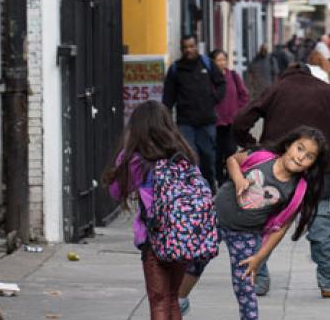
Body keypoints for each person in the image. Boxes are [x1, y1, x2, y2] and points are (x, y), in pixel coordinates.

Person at [232, 62, 330, 298]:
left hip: (279, 165)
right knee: (320, 223)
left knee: (264, 221)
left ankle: (258, 279)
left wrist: (252, 146)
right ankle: (329, 282)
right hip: (321, 168)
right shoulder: (326, 90)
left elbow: (241, 120)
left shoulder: (276, 88)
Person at [192, 128, 327, 320]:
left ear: (313, 164)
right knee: (193, 264)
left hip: (245, 234)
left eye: (309, 156)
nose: (300, 157)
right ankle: (178, 302)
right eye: (299, 148)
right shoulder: (262, 157)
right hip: (214, 217)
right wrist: (238, 180)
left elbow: (280, 228)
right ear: (289, 145)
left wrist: (259, 258)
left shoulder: (297, 190)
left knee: (245, 285)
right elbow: (232, 160)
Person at [104, 101, 216, 320]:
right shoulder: (184, 156)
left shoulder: (137, 160)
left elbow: (116, 192)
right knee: (173, 298)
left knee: (159, 301)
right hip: (184, 236)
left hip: (155, 239)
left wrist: (124, 154)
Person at [162, 36, 226, 188]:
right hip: (185, 123)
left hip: (206, 122)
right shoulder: (175, 69)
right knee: (188, 158)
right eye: (185, 47)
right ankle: (191, 191)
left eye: (191, 46)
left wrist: (214, 98)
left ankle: (210, 190)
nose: (188, 50)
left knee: (208, 158)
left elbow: (221, 83)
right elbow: (168, 98)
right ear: (181, 49)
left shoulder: (207, 63)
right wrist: (166, 120)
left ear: (197, 47)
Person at [212, 50, 250, 189]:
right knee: (216, 154)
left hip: (231, 123)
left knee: (230, 151)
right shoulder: (209, 78)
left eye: (223, 60)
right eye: (218, 60)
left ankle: (229, 179)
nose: (221, 63)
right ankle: (219, 179)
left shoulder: (233, 76)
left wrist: (238, 111)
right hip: (215, 123)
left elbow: (244, 95)